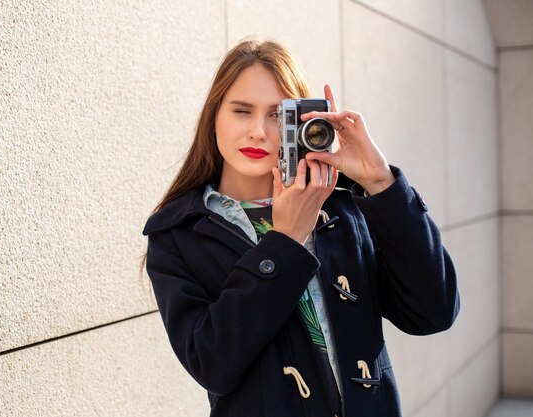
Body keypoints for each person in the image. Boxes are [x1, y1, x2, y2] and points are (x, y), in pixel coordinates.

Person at [142, 39, 459, 417]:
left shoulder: (342, 210)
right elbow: (212, 363)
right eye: (242, 111)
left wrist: (381, 184)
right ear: (214, 117)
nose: (259, 131)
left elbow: (433, 312)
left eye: (278, 115)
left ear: (302, 122)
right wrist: (286, 240)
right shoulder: (178, 234)